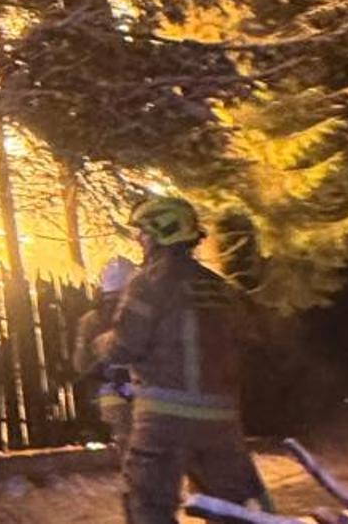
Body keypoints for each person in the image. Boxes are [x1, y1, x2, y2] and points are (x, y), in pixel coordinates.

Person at [92, 196, 273, 523]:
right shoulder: (221, 288)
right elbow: (248, 341)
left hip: (164, 421)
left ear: (162, 232)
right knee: (237, 510)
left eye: (144, 233)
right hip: (221, 421)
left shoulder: (148, 283)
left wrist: (100, 345)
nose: (141, 241)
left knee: (150, 506)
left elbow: (124, 348)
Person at [73, 256, 138, 453]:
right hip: (144, 392)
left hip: (110, 393)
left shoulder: (90, 321)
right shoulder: (143, 313)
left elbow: (80, 363)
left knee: (125, 446)